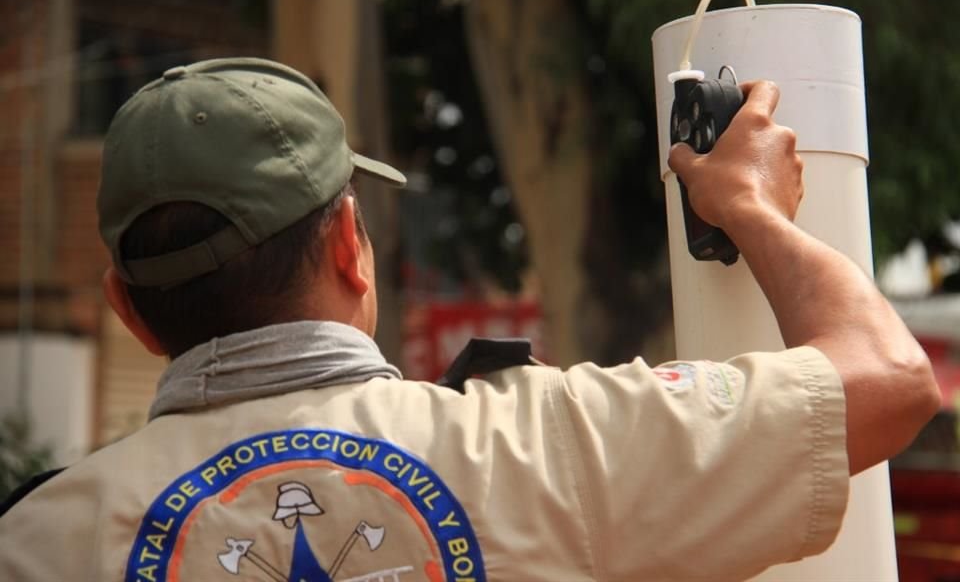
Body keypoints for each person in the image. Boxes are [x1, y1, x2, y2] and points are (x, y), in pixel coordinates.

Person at [0, 57, 938, 581]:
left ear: (128, 310)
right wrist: (752, 211)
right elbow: (889, 380)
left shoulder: (37, 541)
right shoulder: (546, 447)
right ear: (347, 248)